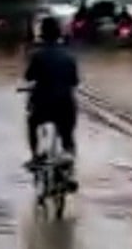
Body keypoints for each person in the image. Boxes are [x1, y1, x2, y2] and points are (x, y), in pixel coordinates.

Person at [23, 17, 79, 189]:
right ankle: (69, 170)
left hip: (43, 105)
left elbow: (28, 76)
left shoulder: (37, 55)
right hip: (66, 106)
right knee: (68, 136)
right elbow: (75, 81)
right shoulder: (69, 55)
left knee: (32, 123)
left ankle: (35, 156)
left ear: (42, 34)